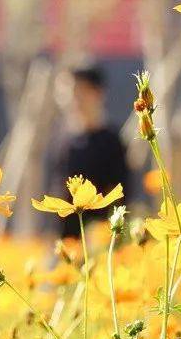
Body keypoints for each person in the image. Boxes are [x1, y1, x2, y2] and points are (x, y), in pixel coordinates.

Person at [47, 63, 130, 237]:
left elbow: (120, 194)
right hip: (66, 239)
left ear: (98, 93)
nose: (74, 99)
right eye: (68, 92)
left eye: (80, 91)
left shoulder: (111, 141)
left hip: (99, 238)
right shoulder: (61, 138)